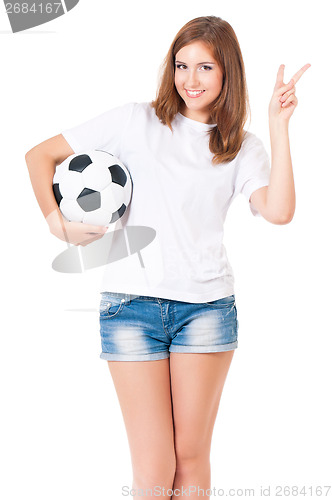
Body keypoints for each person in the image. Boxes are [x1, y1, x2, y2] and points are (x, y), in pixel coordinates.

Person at [25, 15, 310, 499]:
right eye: (182, 66)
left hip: (206, 310)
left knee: (192, 457)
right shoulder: (135, 120)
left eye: (204, 68)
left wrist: (278, 127)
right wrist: (58, 224)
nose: (190, 80)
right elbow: (39, 155)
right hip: (130, 309)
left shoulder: (241, 146)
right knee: (155, 468)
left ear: (227, 75)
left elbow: (279, 211)